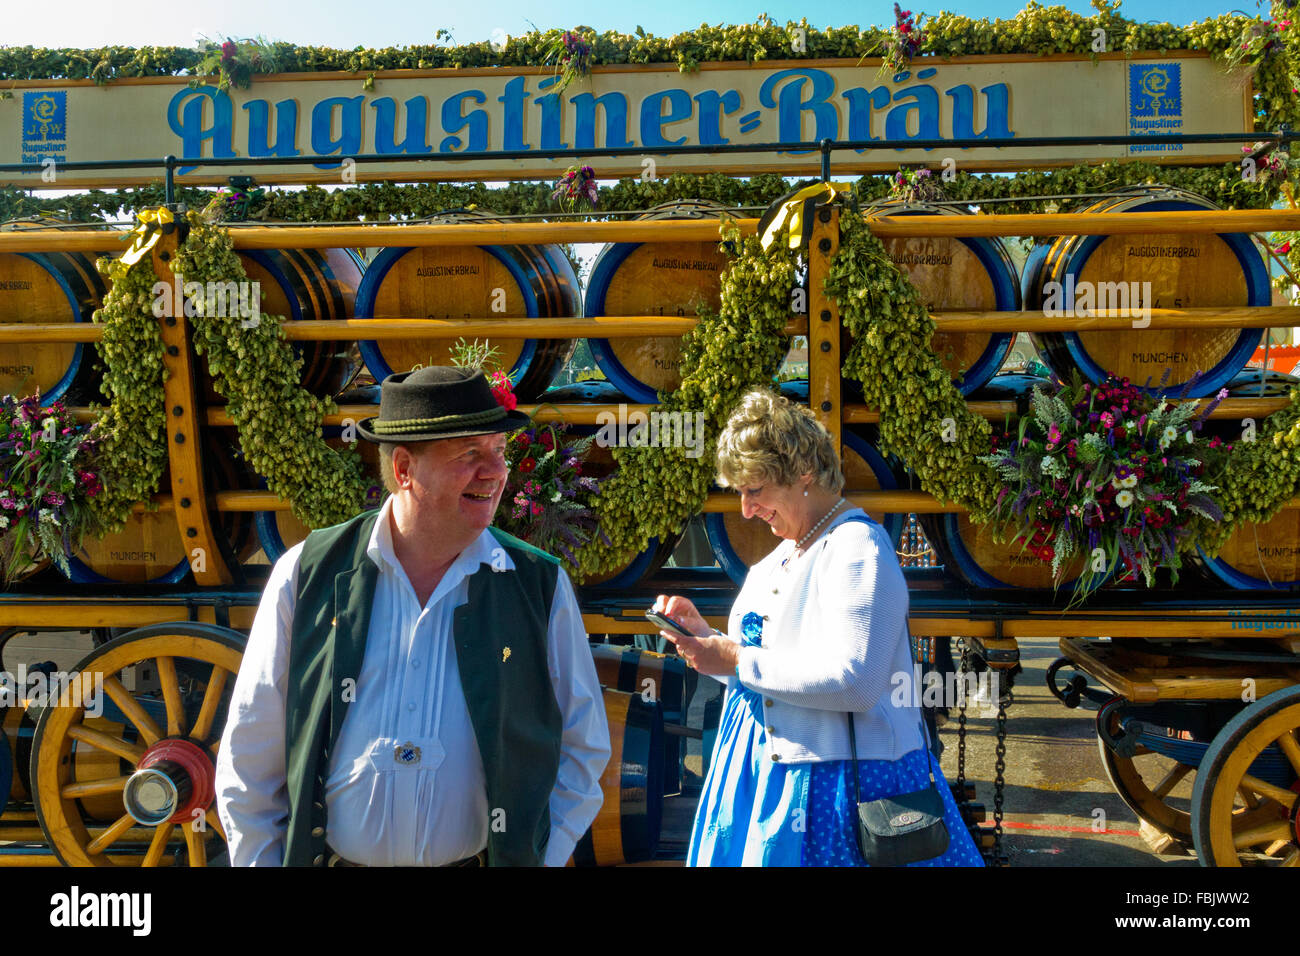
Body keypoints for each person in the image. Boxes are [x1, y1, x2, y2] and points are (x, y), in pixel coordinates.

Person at [215, 366, 611, 866]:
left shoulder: (537, 584)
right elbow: (250, 757)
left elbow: (583, 749)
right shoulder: (307, 573)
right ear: (404, 468)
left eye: (498, 452)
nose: (495, 471)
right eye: (470, 454)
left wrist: (540, 860)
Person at [653, 389, 982, 867]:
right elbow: (764, 676)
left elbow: (856, 682)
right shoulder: (787, 552)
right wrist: (707, 640)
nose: (745, 509)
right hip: (769, 780)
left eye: (754, 490)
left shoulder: (856, 549)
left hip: (836, 786)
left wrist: (738, 659)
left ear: (802, 473)